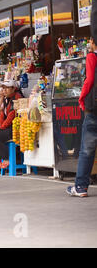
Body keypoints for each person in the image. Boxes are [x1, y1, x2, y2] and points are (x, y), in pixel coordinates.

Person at [67, 37, 97, 197]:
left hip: (94, 109)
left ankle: (80, 187)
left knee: (87, 150)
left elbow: (90, 79)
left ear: (93, 41)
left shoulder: (92, 56)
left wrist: (82, 97)